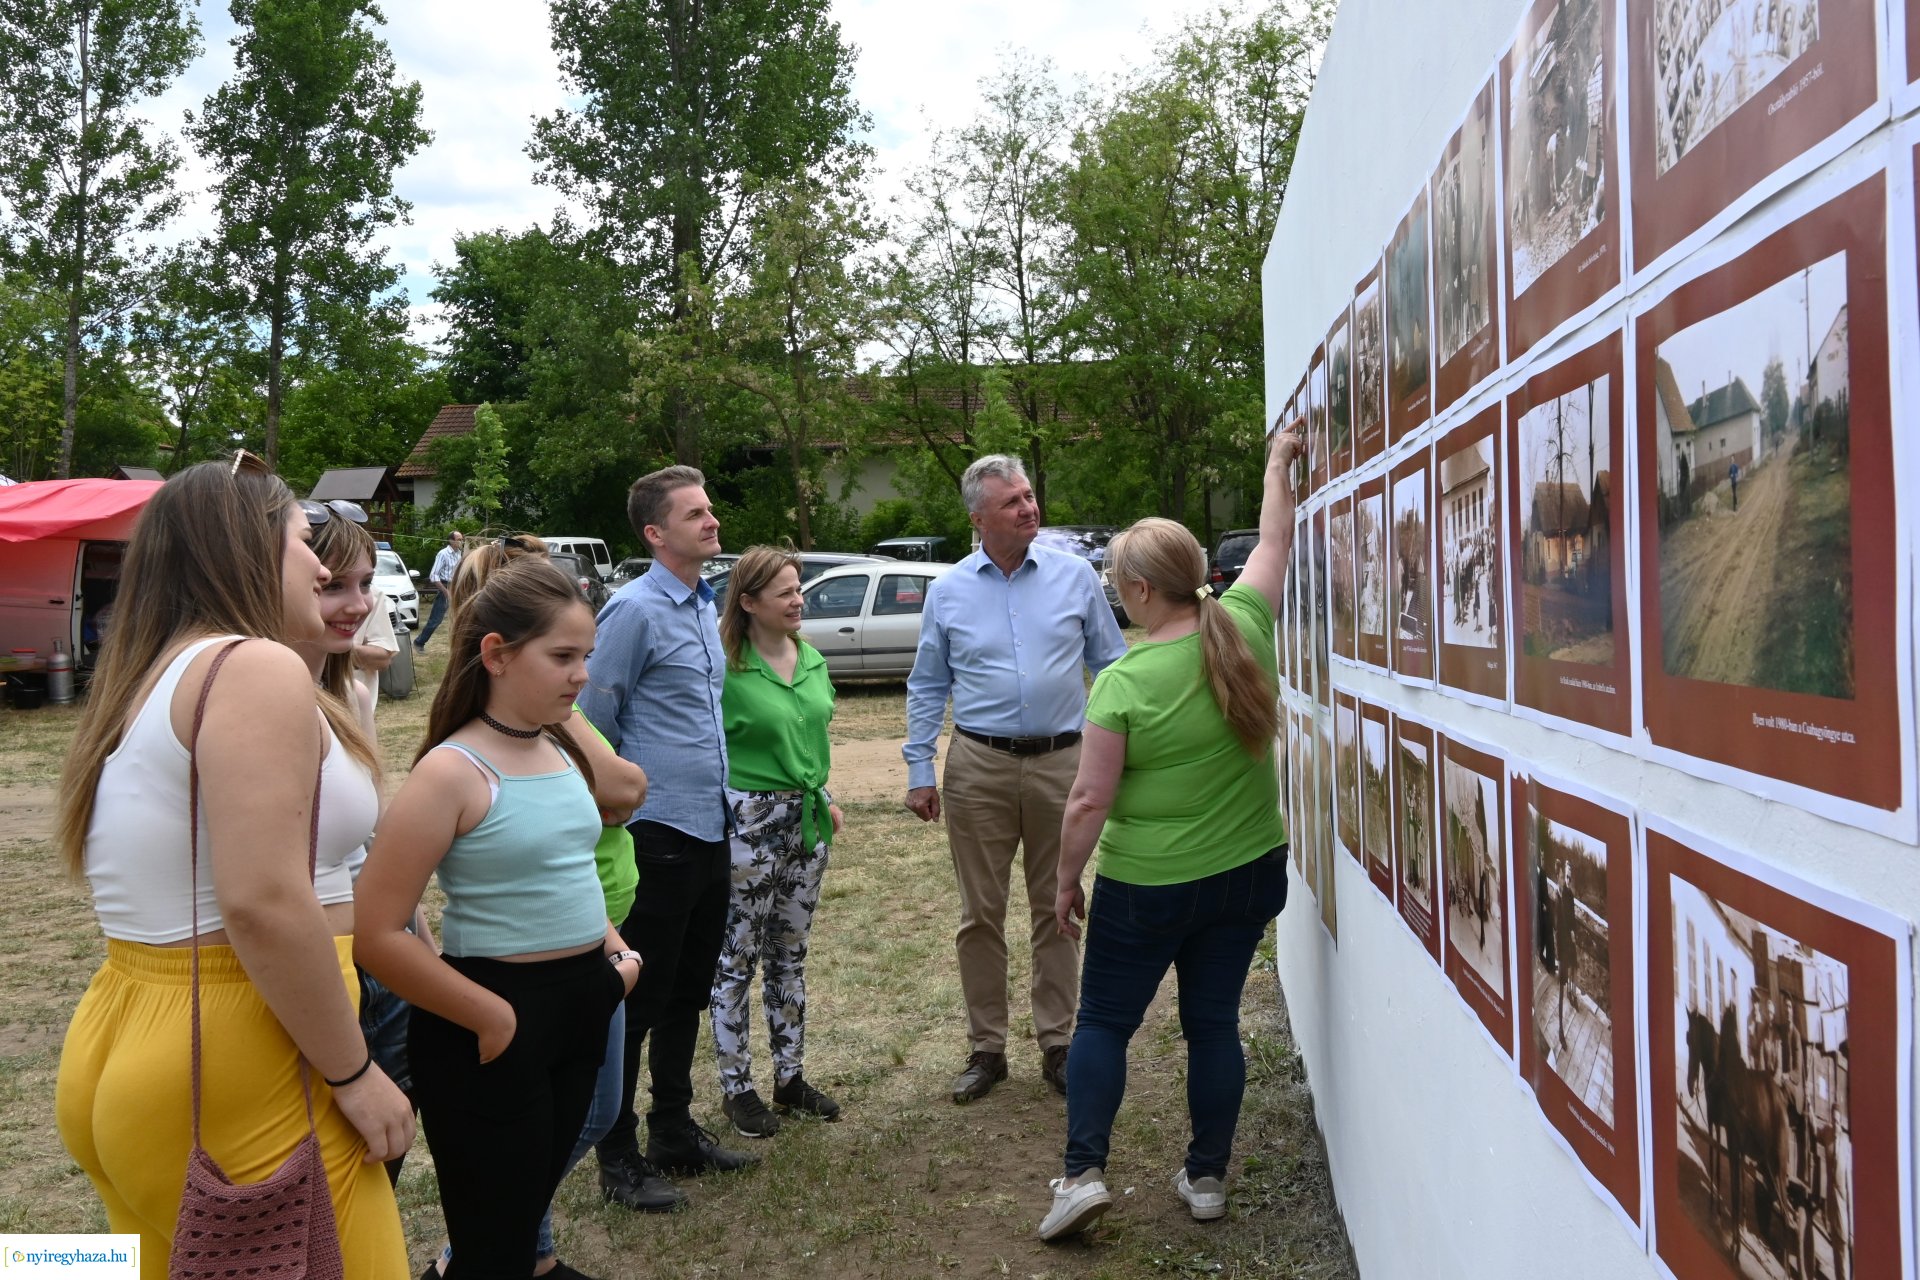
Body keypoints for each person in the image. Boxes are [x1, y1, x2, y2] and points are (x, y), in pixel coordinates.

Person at [54, 453, 413, 1278]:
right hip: (239, 1049)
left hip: (131, 1025)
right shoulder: (251, 666)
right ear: (245, 552)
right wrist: (355, 1073)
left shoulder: (147, 676)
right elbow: (261, 901)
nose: (322, 563)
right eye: (301, 540)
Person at [1037, 428, 1301, 1242]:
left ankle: (1081, 1175)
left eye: (1120, 584)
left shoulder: (1124, 680)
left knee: (1105, 1025)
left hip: (1149, 885)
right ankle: (1209, 1177)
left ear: (1144, 589)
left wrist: (1064, 880)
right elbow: (1275, 536)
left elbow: (1086, 800)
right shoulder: (1247, 626)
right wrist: (1275, 465)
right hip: (1250, 873)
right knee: (1212, 1024)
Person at [355, 557, 642, 1280]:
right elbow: (379, 932)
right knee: (494, 1246)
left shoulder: (558, 745)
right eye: (563, 657)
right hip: (493, 1019)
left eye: (586, 658)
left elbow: (572, 864)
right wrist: (491, 1017)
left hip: (582, 1000)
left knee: (517, 1221)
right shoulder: (451, 772)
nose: (582, 676)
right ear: (497, 655)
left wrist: (614, 958)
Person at [903, 454, 1127, 1104]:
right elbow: (927, 684)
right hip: (979, 765)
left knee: (1059, 907)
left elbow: (1111, 663)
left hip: (1065, 761)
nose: (1030, 509)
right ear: (979, 518)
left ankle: (1059, 1044)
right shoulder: (948, 591)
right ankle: (987, 1049)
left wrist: (1120, 752)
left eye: (1029, 497)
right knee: (981, 914)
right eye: (1013, 503)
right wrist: (921, 770)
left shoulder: (1075, 576)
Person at [579, 466, 754, 1214]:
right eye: (695, 514)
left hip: (710, 827)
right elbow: (592, 718)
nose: (712, 522)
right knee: (639, 1001)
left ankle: (674, 1132)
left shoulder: (703, 607)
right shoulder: (634, 611)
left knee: (689, 988)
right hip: (657, 834)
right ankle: (615, 1157)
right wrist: (615, 808)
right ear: (656, 533)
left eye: (709, 510)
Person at [286, 502, 429, 1185]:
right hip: (323, 974)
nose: (357, 604)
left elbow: (368, 841)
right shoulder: (263, 704)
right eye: (332, 585)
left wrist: (417, 932)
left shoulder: (350, 697)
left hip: (380, 958)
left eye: (365, 583)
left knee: (383, 1162)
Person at [709, 546, 845, 1139]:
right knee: (737, 958)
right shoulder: (725, 667)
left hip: (807, 822)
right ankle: (736, 1088)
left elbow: (813, 736)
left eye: (800, 589)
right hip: (749, 823)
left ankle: (789, 1078)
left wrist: (825, 794)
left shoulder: (810, 658)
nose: (799, 600)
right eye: (786, 592)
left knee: (790, 955)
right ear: (748, 603)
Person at [415, 530, 465, 650]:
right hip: (445, 587)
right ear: (451, 540)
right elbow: (434, 575)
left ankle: (459, 646)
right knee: (436, 619)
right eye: (458, 539)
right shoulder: (443, 554)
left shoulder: (459, 553)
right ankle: (419, 642)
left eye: (462, 539)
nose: (461, 542)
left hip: (456, 587)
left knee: (460, 617)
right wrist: (445, 591)